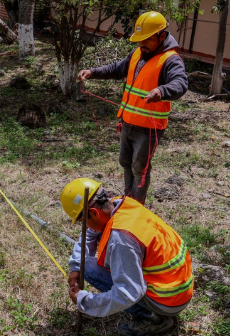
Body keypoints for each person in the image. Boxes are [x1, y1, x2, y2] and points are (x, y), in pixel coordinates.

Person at [62, 177, 193, 336]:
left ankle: (156, 318)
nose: (86, 227)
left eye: (84, 222)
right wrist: (76, 266)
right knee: (85, 266)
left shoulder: (121, 239)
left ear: (94, 213)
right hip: (177, 287)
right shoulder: (120, 204)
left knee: (95, 272)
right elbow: (90, 233)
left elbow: (127, 293)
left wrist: (85, 300)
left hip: (169, 301)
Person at [77, 12, 187, 205]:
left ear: (162, 36)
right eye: (139, 40)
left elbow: (180, 83)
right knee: (125, 163)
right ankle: (129, 200)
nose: (142, 44)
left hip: (148, 129)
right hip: (127, 122)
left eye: (147, 40)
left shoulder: (171, 60)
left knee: (140, 168)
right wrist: (93, 72)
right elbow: (117, 69)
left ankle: (137, 207)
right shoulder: (138, 54)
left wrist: (162, 91)